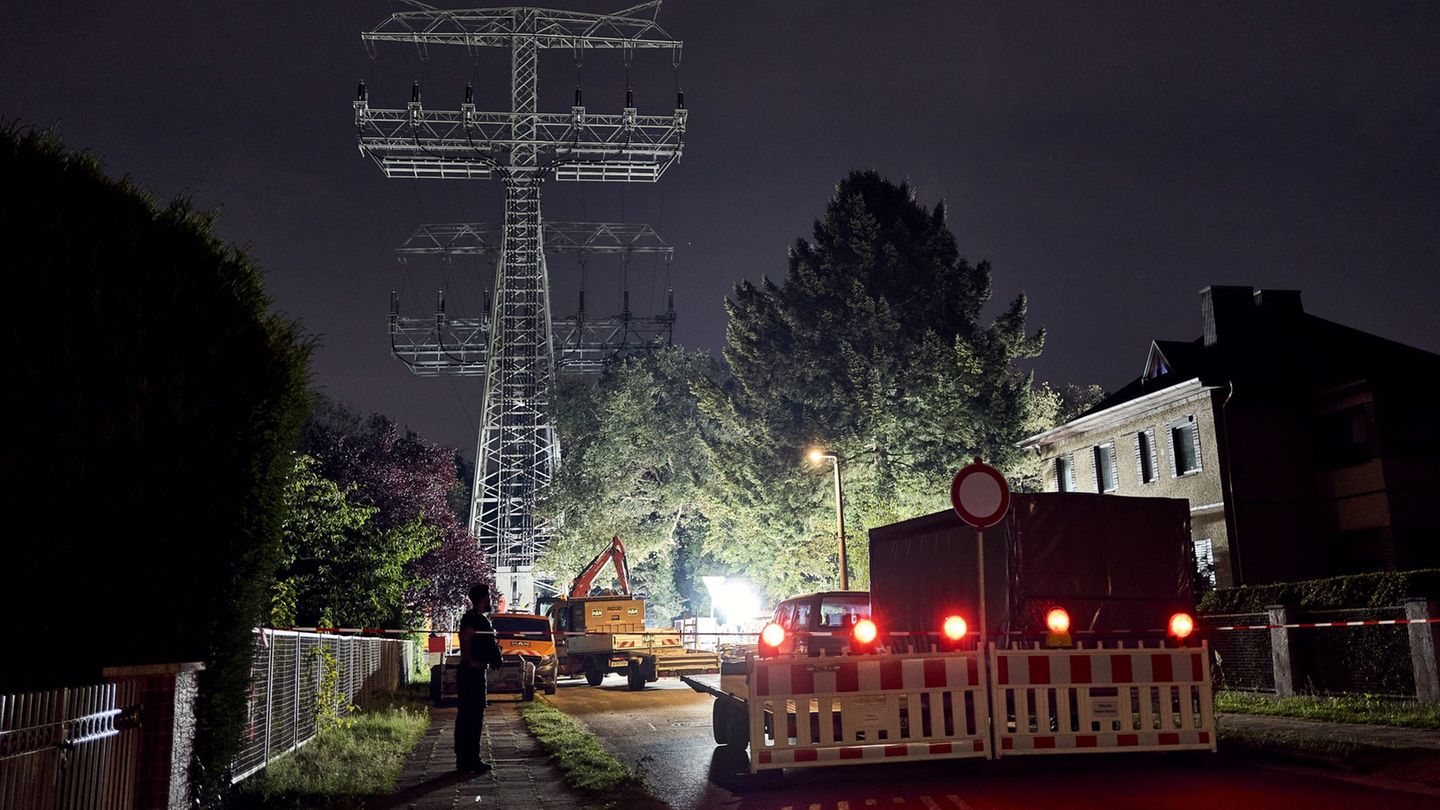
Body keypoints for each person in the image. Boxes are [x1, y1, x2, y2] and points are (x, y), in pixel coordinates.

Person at [456, 582, 503, 772]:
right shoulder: (474, 619)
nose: (490, 600)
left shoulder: (476, 618)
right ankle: (469, 759)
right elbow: (465, 638)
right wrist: (470, 661)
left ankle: (466, 759)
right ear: (483, 599)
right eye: (488, 597)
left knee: (470, 716)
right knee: (472, 717)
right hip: (471, 673)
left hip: (473, 671)